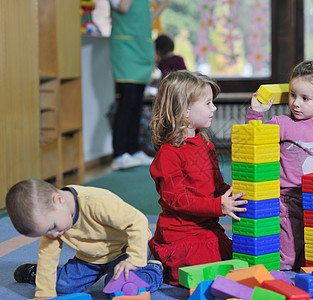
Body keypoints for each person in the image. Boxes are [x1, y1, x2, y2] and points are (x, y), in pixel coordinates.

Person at [246, 60, 313, 271]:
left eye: (305, 98)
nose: (296, 103)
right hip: (287, 202)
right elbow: (252, 142)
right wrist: (257, 113)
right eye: (293, 95)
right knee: (287, 260)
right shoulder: (282, 123)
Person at [148, 70, 247, 285]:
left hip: (207, 228)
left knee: (237, 259)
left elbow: (217, 185)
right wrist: (217, 207)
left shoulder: (207, 145)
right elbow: (177, 199)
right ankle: (156, 262)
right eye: (208, 103)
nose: (214, 108)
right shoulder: (168, 154)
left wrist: (239, 197)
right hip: (181, 231)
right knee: (202, 271)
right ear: (184, 110)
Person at [6, 178, 163, 299]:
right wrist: (43, 293)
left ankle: (154, 267)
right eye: (47, 232)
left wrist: (134, 259)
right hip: (90, 259)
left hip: (124, 252)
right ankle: (36, 273)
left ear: (58, 201)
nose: (53, 235)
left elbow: (138, 222)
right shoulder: (52, 222)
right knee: (61, 286)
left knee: (121, 287)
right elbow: (48, 255)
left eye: (53, 227)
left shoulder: (97, 203)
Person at [109, 0, 168, 170]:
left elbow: (156, 11)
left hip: (142, 47)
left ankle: (133, 150)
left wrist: (155, 12)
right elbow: (123, 7)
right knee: (127, 100)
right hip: (125, 47)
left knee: (136, 103)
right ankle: (119, 154)